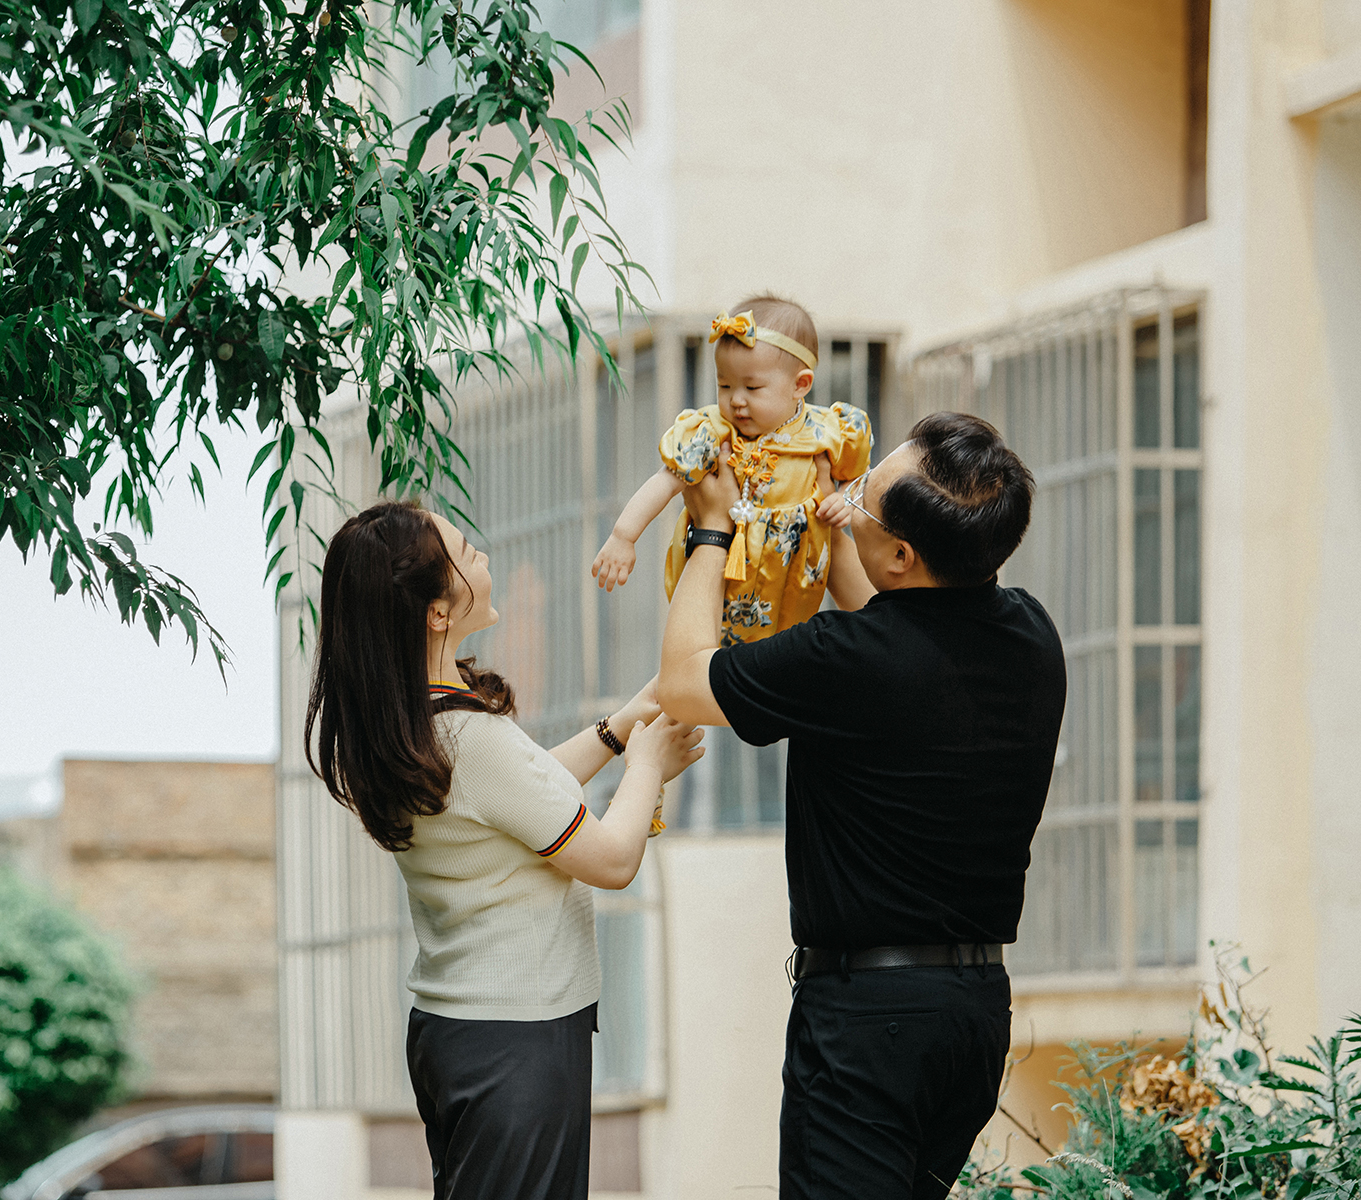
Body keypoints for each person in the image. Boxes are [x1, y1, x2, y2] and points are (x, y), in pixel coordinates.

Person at [656, 412, 1066, 1199]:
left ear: (904, 556)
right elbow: (892, 623)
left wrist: (711, 531)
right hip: (973, 1015)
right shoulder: (1031, 635)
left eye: (860, 501)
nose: (847, 504)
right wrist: (840, 528)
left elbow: (683, 682)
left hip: (867, 1021)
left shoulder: (849, 662)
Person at [305, 500, 704, 1200]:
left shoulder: (415, 727)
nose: (484, 557)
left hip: (461, 1032)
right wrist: (646, 767)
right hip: (517, 1041)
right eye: (468, 553)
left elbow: (522, 794)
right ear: (437, 612)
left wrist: (621, 727)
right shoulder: (472, 741)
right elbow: (612, 860)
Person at [590, 294, 873, 643]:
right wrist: (623, 536)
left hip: (792, 585)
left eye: (752, 387)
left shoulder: (826, 432)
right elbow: (665, 481)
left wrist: (843, 499)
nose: (736, 399)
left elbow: (860, 479)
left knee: (781, 647)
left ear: (800, 384)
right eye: (724, 385)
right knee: (707, 646)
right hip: (721, 576)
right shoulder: (713, 432)